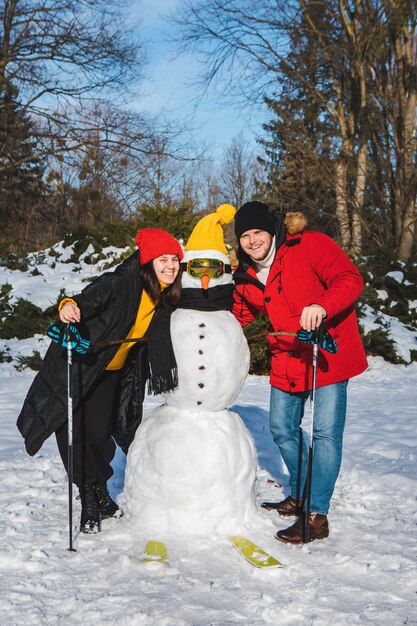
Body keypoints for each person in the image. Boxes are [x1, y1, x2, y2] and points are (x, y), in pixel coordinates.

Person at [17, 228, 183, 534]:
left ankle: (100, 492)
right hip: (80, 363)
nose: (171, 265)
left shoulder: (165, 295)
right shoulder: (121, 283)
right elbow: (83, 301)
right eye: (163, 259)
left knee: (97, 433)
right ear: (148, 261)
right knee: (72, 431)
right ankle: (90, 498)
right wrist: (68, 306)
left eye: (175, 259)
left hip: (111, 371)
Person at [232, 201, 368, 543]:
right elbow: (240, 316)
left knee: (324, 433)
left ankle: (316, 514)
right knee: (281, 428)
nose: (252, 241)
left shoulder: (309, 244)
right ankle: (303, 491)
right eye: (245, 235)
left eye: (258, 233)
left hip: (327, 352)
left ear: (272, 230)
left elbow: (350, 279)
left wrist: (322, 305)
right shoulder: (245, 274)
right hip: (289, 356)